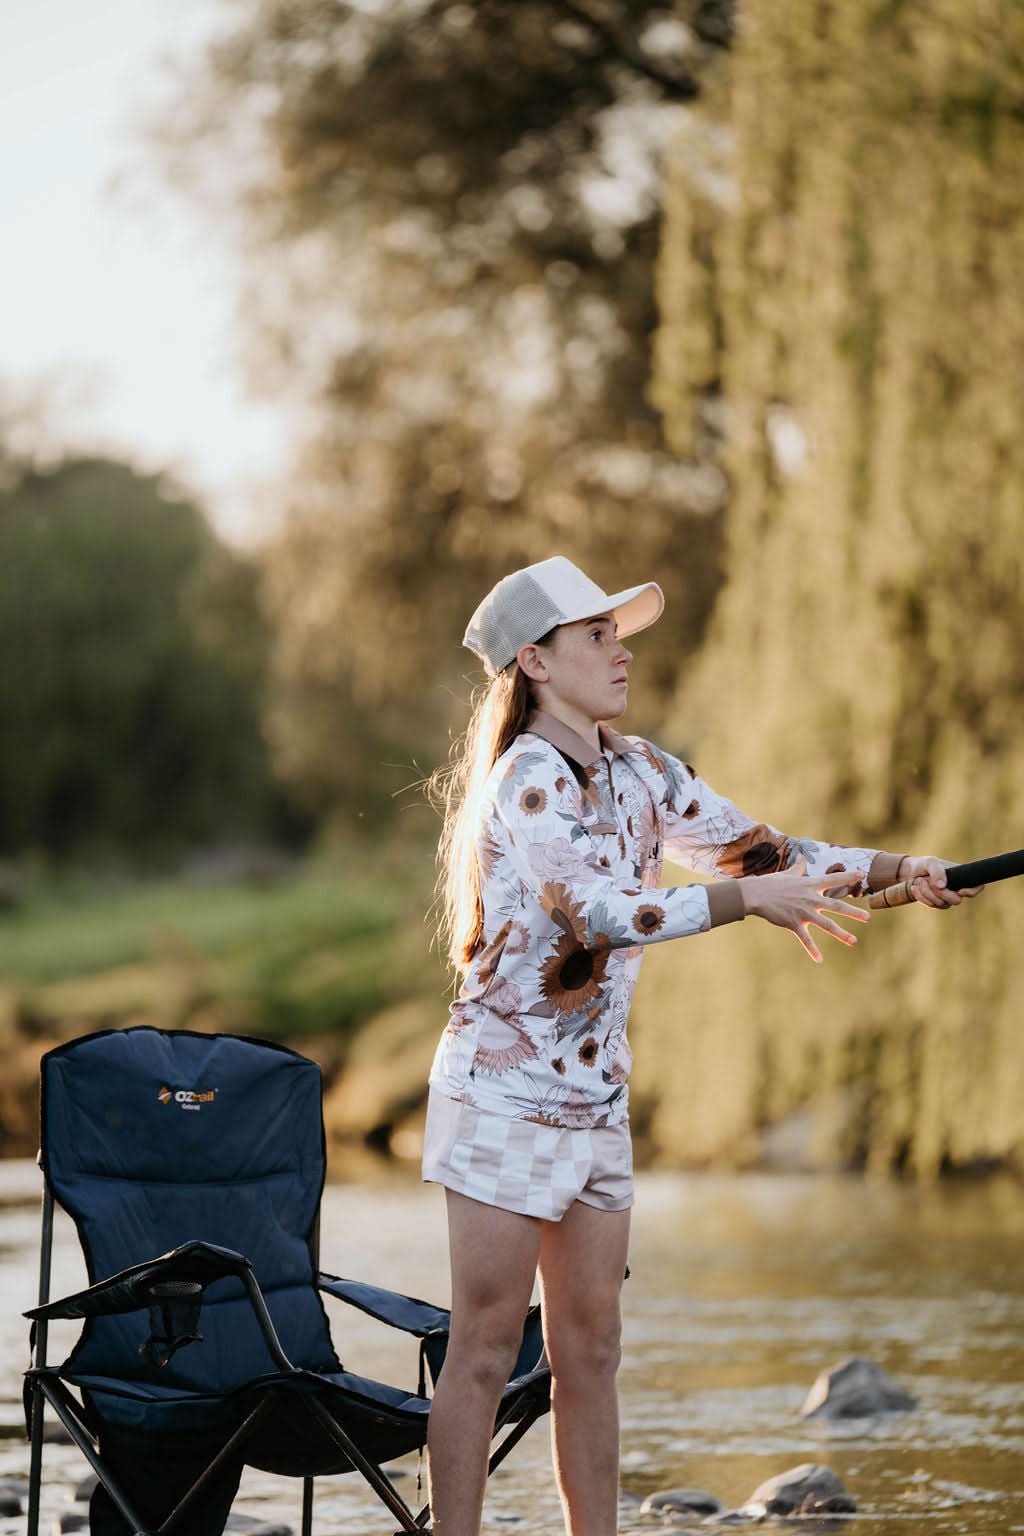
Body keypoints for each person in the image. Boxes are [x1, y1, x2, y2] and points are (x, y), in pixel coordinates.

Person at [423, 555, 980, 1536]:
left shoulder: (643, 773)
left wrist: (904, 870)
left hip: (595, 1104)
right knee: (482, 1352)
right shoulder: (526, 781)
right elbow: (592, 911)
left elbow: (771, 857)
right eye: (596, 635)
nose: (620, 648)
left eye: (617, 631)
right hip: (502, 1101)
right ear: (535, 662)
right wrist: (737, 902)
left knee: (591, 1352)